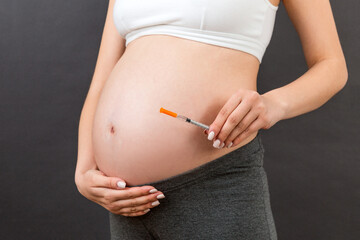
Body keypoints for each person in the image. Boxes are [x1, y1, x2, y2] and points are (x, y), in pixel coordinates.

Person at [75, 0, 348, 239]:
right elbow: (102, 79)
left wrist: (273, 104)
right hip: (125, 201)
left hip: (215, 187)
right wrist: (84, 170)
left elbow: (332, 66)